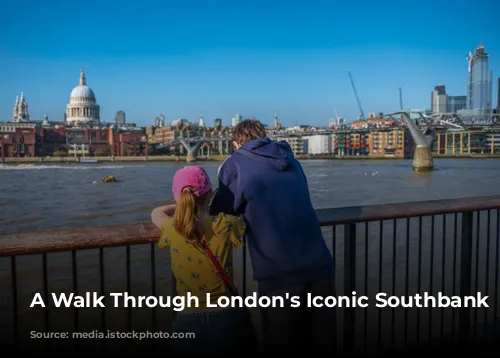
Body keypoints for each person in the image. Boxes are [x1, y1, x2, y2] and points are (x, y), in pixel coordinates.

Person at [209, 119, 337, 354]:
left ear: (237, 143)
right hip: (320, 265)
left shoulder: (236, 163)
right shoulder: (290, 158)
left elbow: (223, 207)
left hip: (280, 273)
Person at [150, 166, 253, 356]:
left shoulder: (174, 228)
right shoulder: (227, 224)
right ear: (210, 194)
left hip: (187, 317)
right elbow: (250, 220)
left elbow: (156, 212)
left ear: (177, 198)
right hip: (226, 315)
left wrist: (180, 206)